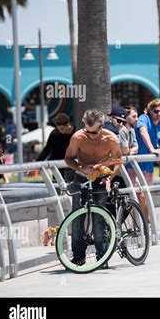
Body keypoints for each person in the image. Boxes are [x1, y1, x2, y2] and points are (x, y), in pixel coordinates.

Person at [64, 109, 122, 268]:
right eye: (87, 131)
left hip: (102, 179)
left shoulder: (111, 138)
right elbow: (68, 158)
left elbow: (118, 160)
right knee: (77, 219)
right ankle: (78, 257)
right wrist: (81, 168)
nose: (90, 135)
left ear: (102, 126)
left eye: (94, 132)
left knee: (99, 219)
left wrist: (109, 178)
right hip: (82, 177)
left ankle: (102, 258)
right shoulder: (78, 137)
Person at [131, 98, 160, 222]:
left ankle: (146, 226)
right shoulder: (143, 118)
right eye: (156, 111)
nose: (159, 114)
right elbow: (142, 132)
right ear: (150, 110)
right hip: (133, 167)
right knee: (138, 196)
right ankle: (143, 225)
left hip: (148, 168)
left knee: (145, 197)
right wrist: (152, 148)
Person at [36, 113, 75, 178]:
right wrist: (36, 164)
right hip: (58, 165)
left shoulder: (76, 132)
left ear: (68, 124)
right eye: (58, 129)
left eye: (62, 129)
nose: (60, 131)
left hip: (73, 164)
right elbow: (46, 150)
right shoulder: (55, 134)